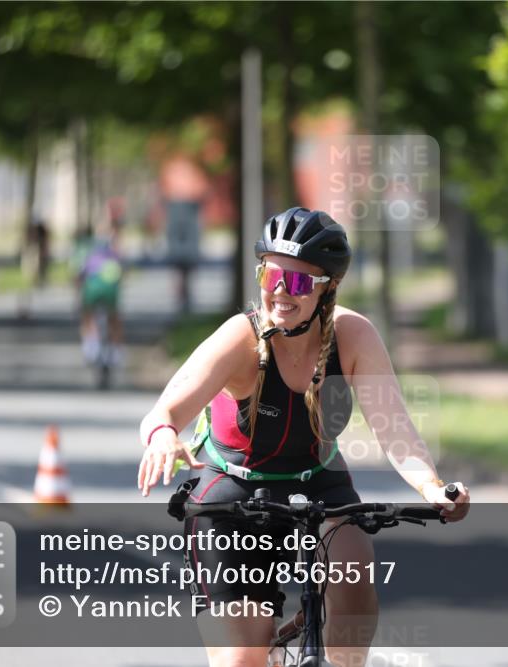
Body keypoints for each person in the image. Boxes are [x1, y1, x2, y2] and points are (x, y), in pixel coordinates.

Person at [137, 207, 470, 667]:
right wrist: (162, 436)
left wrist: (434, 488)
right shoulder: (241, 338)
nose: (278, 290)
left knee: (353, 577)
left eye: (296, 282)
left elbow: (394, 430)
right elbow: (165, 410)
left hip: (318, 479)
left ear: (326, 289)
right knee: (241, 658)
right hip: (234, 489)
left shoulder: (353, 337)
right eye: (270, 274)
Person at [74, 218, 125, 366]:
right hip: (110, 292)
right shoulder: (113, 253)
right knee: (115, 317)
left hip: (92, 290)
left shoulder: (88, 253)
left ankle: (90, 344)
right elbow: (121, 273)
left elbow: (79, 276)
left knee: (87, 314)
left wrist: (78, 295)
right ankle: (117, 350)